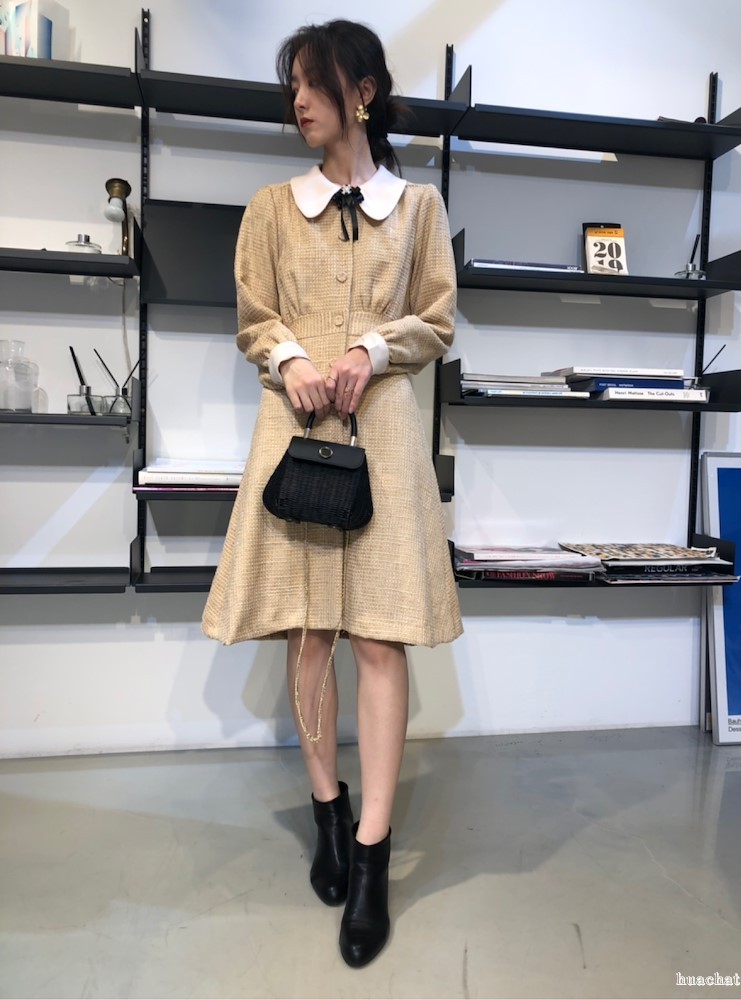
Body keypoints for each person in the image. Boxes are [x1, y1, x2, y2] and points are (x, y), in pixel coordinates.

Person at [201, 18, 462, 968]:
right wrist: (294, 357)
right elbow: (255, 317)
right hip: (296, 436)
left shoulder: (418, 207)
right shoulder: (272, 209)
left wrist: (370, 348)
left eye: (313, 83)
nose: (298, 101)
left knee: (381, 639)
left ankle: (372, 854)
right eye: (293, 87)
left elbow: (437, 319)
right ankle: (326, 810)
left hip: (384, 439)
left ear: (363, 91)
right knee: (310, 633)